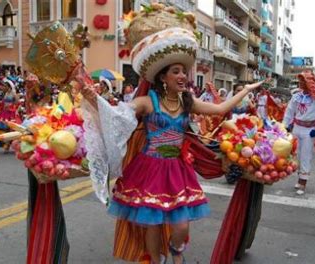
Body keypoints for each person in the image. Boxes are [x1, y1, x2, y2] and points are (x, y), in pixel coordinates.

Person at [78, 5, 265, 263]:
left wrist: (246, 90)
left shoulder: (188, 101)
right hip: (149, 168)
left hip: (177, 169)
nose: (182, 76)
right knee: (152, 223)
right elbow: (116, 117)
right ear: (162, 77)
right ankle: (156, 260)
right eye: (175, 72)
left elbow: (221, 108)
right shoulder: (147, 102)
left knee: (181, 226)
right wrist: (93, 98)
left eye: (183, 71)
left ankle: (176, 250)